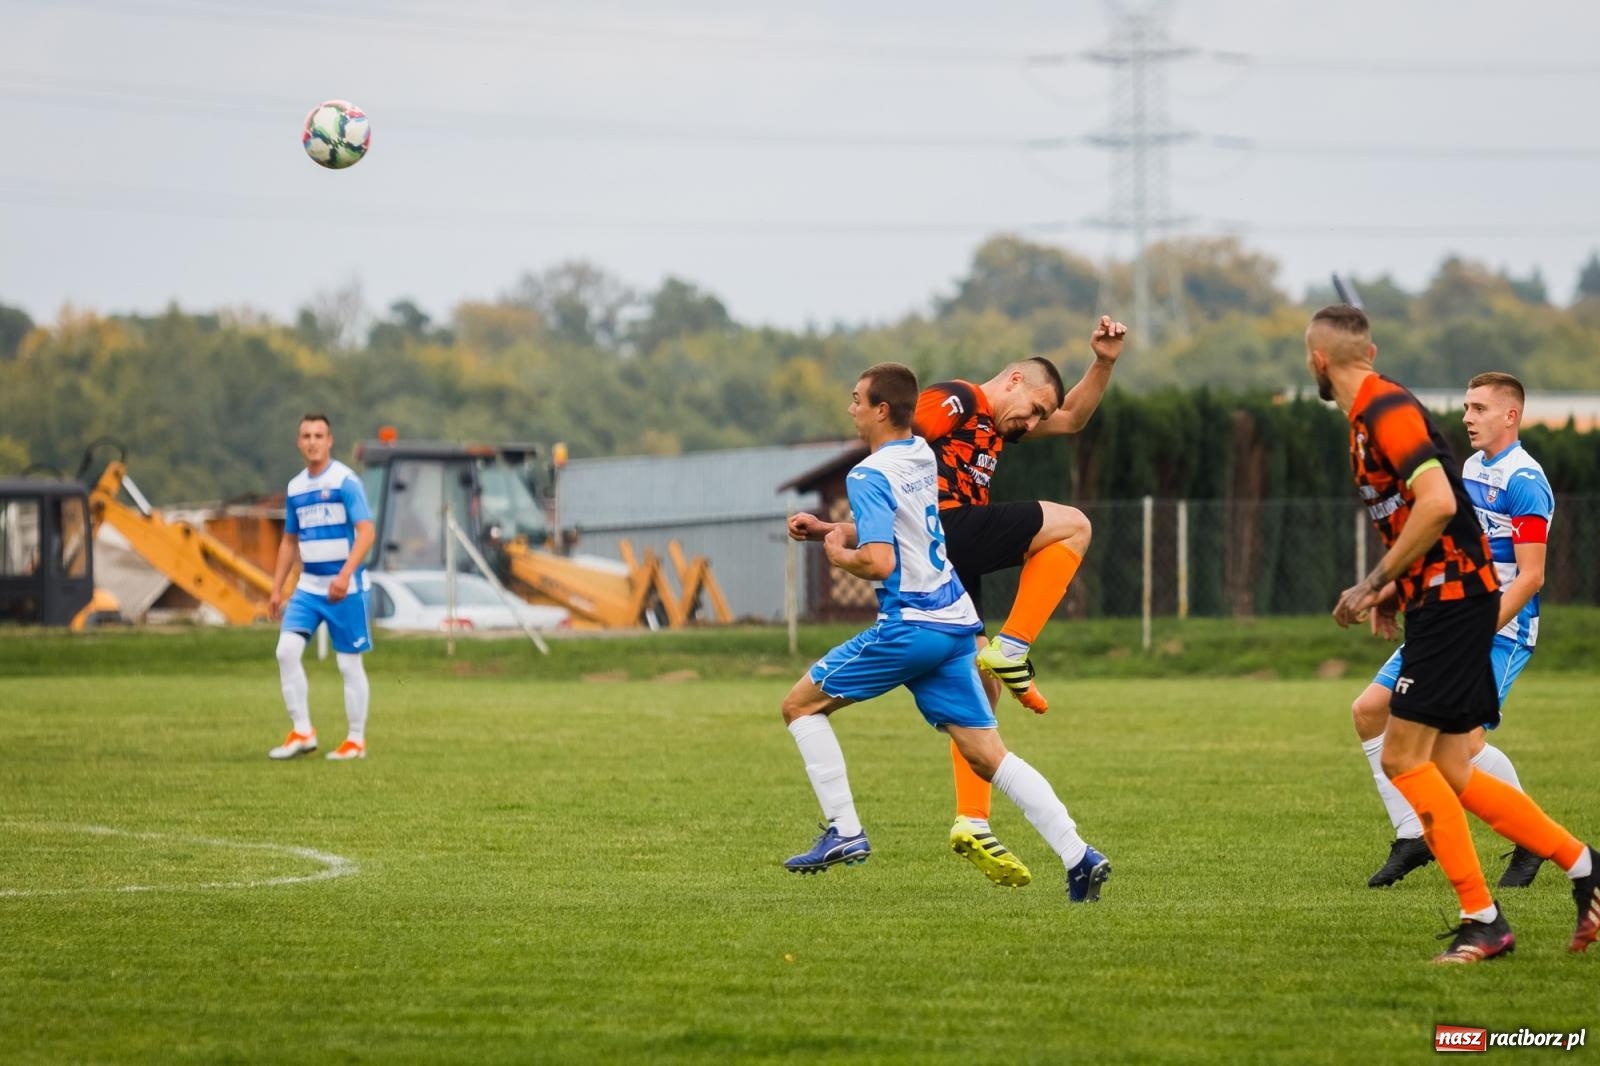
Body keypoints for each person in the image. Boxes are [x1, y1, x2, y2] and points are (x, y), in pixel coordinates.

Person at [1306, 304, 1597, 962]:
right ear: (1368, 353)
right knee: (1450, 767)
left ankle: (1484, 917)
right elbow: (1435, 512)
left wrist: (1370, 580)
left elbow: (1436, 505)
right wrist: (1393, 587)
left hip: (1457, 605)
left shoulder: (1386, 411)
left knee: (1406, 757)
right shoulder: (1365, 419)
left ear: (1317, 361)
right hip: (1439, 601)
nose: (1467, 416)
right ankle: (1582, 866)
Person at [781, 362, 1111, 903]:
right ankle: (1078, 856)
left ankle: (844, 831)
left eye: (856, 399)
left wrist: (837, 550)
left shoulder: (873, 471)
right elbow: (908, 518)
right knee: (990, 752)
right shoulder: (916, 460)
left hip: (911, 623)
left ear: (881, 409)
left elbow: (881, 561)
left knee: (799, 707)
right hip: (956, 620)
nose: (850, 409)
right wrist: (829, 529)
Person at [915, 315, 1125, 886]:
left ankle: (972, 821)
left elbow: (1076, 416)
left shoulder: (997, 425)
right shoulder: (959, 400)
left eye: (1038, 417)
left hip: (948, 560)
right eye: (1033, 408)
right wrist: (870, 520)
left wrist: (1103, 361)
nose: (1032, 422)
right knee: (1073, 525)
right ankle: (1014, 645)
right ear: (1012, 380)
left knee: (976, 692)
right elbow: (900, 438)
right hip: (947, 531)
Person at [1357, 372, 1554, 890]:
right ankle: (1410, 834)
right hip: (1449, 614)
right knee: (1369, 711)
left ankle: (1534, 842)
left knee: (1461, 747)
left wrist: (1475, 628)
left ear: (1510, 416)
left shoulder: (1525, 481)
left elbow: (1532, 575)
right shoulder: (1469, 468)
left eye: (1480, 408)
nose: (1467, 417)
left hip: (1500, 630)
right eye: (1466, 407)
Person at [267, 413, 377, 761]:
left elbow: (367, 532)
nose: (312, 441)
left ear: (330, 441)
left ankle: (355, 740)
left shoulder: (345, 481)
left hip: (347, 588)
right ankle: (302, 731)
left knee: (348, 664)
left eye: (319, 435)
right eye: (306, 435)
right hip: (309, 589)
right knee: (285, 651)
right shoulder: (295, 488)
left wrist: (345, 575)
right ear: (299, 442)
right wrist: (276, 588)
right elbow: (288, 541)